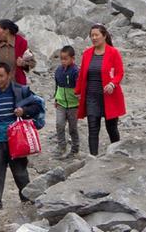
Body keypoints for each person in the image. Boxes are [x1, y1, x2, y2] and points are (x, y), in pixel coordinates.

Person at [0, 62, 45, 211]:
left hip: (17, 140)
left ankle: (27, 200)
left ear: (9, 75)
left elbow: (36, 106)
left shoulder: (21, 90)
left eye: (1, 76)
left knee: (20, 173)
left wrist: (23, 111)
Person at [77, 23, 126, 156]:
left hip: (109, 96)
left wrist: (112, 84)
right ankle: (93, 158)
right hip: (91, 97)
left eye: (96, 35)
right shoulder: (87, 53)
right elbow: (82, 74)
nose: (94, 38)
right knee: (93, 128)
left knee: (111, 128)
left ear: (104, 36)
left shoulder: (113, 52)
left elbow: (119, 73)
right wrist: (78, 91)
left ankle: (116, 154)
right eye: (91, 35)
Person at [0, 19, 33, 86]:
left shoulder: (22, 44)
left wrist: (23, 63)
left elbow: (32, 62)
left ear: (7, 30)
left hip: (16, 85)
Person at [51, 45, 81, 157]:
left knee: (73, 128)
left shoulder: (76, 71)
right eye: (61, 59)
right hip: (61, 103)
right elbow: (57, 86)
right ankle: (61, 147)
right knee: (59, 124)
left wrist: (80, 98)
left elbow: (79, 87)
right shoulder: (58, 71)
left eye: (65, 59)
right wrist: (56, 98)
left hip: (73, 105)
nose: (63, 61)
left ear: (72, 59)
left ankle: (75, 148)